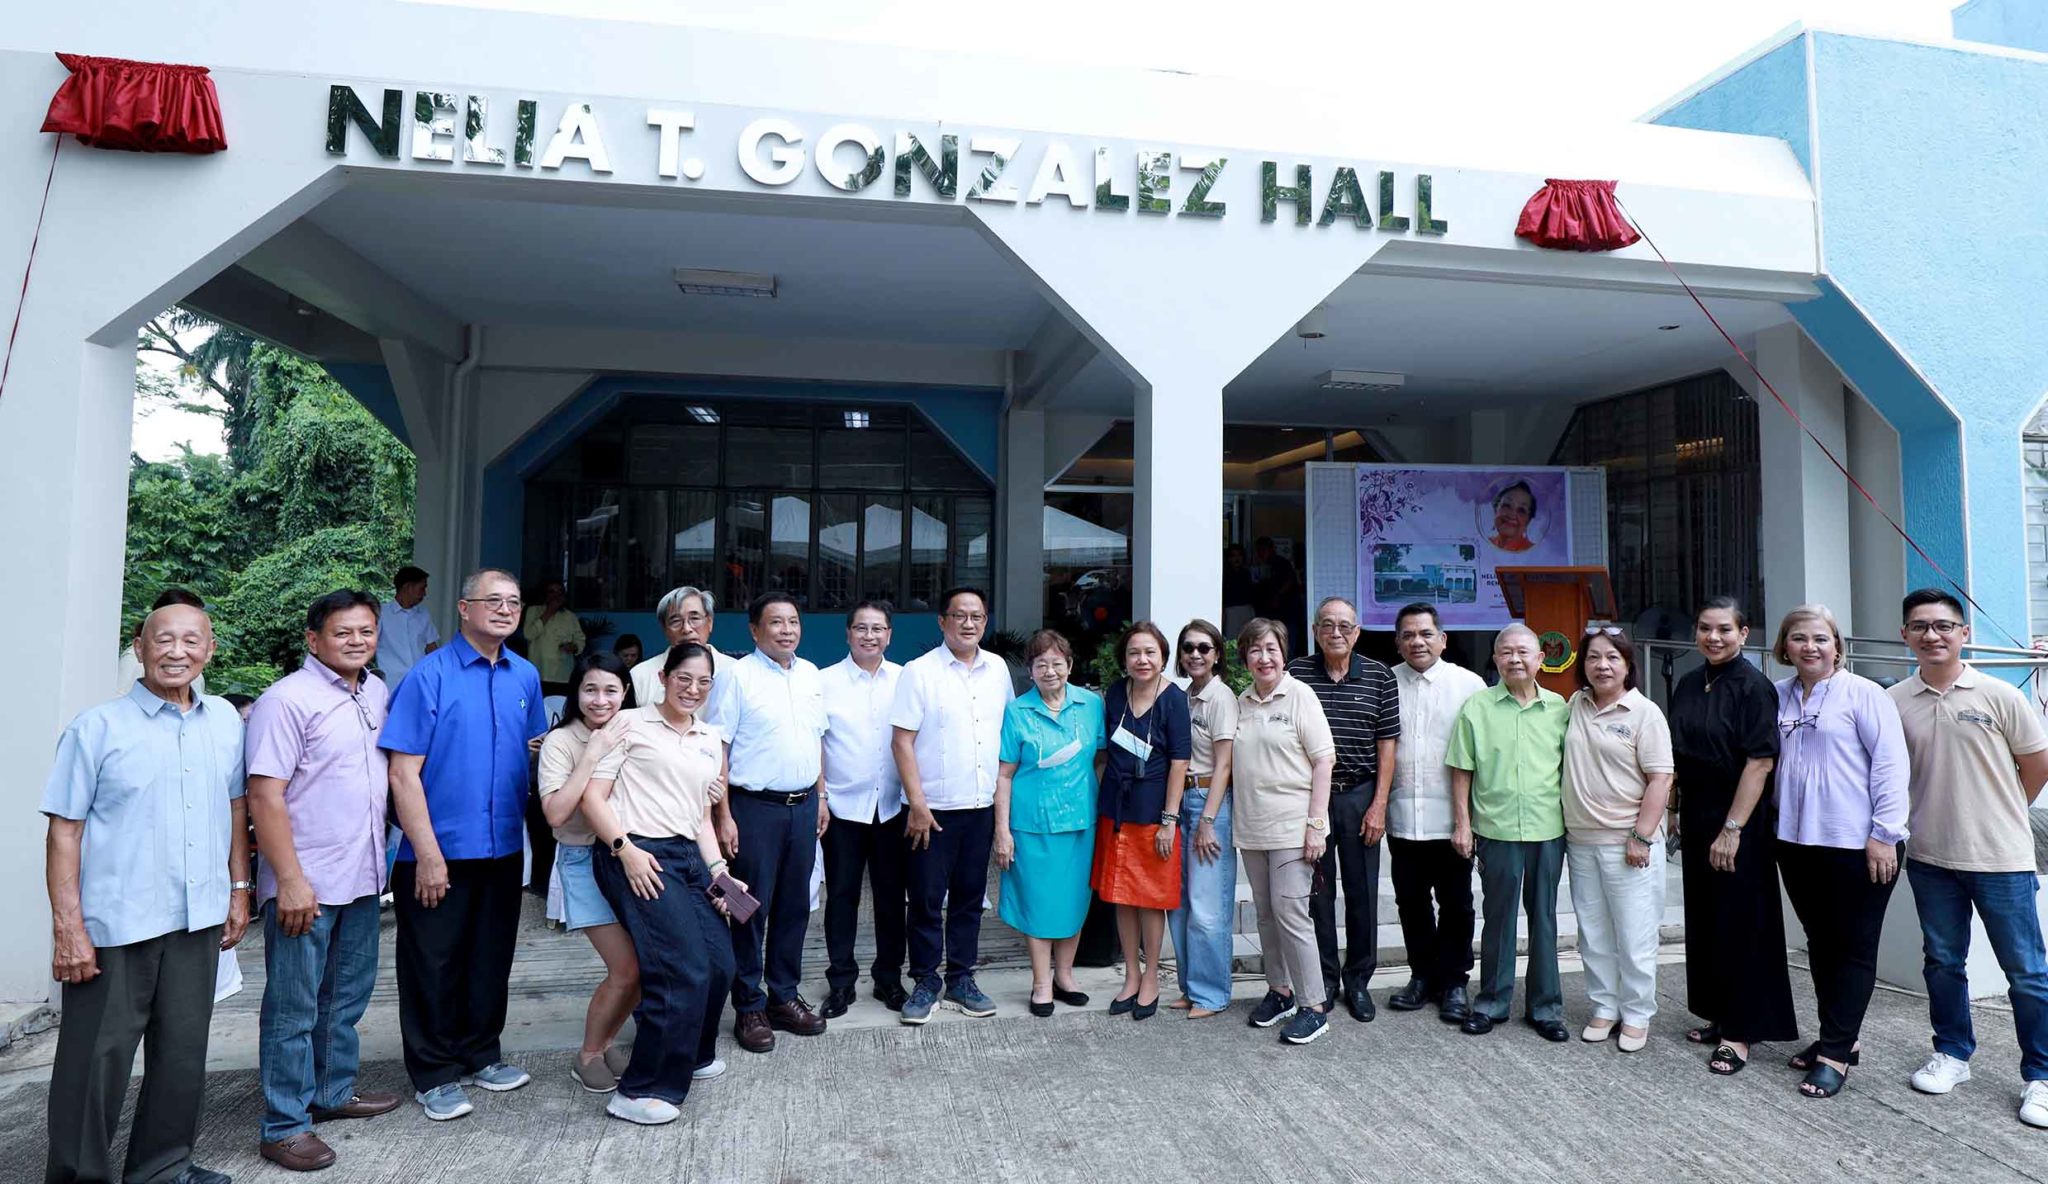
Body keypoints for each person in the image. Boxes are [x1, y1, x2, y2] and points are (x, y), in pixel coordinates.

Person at [43, 600, 250, 1184]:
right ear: (140, 647)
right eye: (164, 639)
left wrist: (238, 889)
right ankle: (78, 1176)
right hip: (115, 925)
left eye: (191, 640)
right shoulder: (96, 728)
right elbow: (64, 829)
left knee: (183, 1055)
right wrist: (68, 927)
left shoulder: (226, 723)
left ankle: (162, 1169)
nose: (176, 651)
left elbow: (235, 808)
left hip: (196, 919)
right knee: (94, 1064)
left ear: (210, 649)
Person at [379, 568, 549, 1121]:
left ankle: (481, 1052)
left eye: (514, 602)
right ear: (464, 608)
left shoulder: (525, 676)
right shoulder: (428, 676)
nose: (504, 609)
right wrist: (426, 854)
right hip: (437, 852)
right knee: (432, 962)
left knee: (489, 957)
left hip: (502, 847)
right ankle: (433, 1072)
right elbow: (403, 774)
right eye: (492, 600)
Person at [246, 591, 402, 1172]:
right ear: (314, 640)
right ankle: (283, 1125)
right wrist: (287, 880)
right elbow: (265, 794)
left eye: (366, 631)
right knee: (293, 1007)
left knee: (345, 996)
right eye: (343, 633)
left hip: (361, 874)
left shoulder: (376, 691)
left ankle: (332, 1093)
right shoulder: (286, 700)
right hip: (305, 882)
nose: (357, 641)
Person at [1889, 589, 2048, 1126]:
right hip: (1931, 856)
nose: (1932, 635)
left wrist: (2001, 811)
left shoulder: (2000, 694)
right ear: (1905, 635)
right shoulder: (1895, 701)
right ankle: (1953, 1053)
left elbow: (2037, 764)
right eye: (1919, 626)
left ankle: (2041, 1076)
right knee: (1942, 962)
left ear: (1963, 633)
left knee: (2026, 972)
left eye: (1943, 625)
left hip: (2001, 857)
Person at [577, 642, 740, 1125]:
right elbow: (593, 797)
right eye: (683, 678)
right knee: (680, 966)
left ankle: (690, 1052)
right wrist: (624, 850)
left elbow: (702, 818)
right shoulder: (629, 723)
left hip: (690, 854)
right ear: (664, 677)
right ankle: (639, 1089)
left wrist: (720, 874)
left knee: (720, 962)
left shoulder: (710, 738)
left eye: (703, 681)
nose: (693, 689)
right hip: (638, 851)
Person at [1769, 603, 1909, 1099]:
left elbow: (1891, 766)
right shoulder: (1779, 696)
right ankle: (1837, 1038)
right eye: (1799, 639)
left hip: (1858, 843)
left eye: (1820, 639)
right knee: (1820, 944)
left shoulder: (1865, 694)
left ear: (1837, 645)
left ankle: (1835, 1053)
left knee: (1852, 948)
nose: (1810, 647)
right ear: (1784, 646)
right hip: (1797, 841)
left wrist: (1885, 834)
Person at [1668, 596, 1797, 1075]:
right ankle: (1719, 1014)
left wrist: (1732, 829)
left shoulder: (1754, 687)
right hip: (1699, 814)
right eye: (1705, 628)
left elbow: (1760, 761)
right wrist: (1675, 810)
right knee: (1707, 920)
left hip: (1738, 821)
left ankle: (1742, 1031)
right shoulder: (1687, 682)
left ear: (1743, 634)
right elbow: (1678, 756)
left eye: (1725, 629)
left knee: (1743, 924)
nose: (1713, 637)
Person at [704, 592, 830, 1053]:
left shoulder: (812, 674)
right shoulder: (737, 677)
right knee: (747, 908)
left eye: (793, 621)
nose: (786, 630)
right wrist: (724, 815)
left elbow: (817, 739)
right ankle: (749, 1005)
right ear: (754, 630)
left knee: (796, 905)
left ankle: (783, 996)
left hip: (802, 809)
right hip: (753, 808)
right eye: (775, 622)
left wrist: (821, 796)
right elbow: (720, 744)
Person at [890, 586, 1015, 1024]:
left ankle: (961, 977)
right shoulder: (919, 671)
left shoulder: (998, 669)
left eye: (976, 616)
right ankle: (926, 981)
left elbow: (1007, 743)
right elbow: (902, 741)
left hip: (980, 807)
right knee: (925, 899)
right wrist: (918, 804)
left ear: (985, 622)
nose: (968, 623)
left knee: (968, 899)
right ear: (941, 622)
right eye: (959, 615)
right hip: (932, 812)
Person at [1446, 623, 1571, 1042]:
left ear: (1540, 660)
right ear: (1495, 659)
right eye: (1505, 652)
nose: (1514, 659)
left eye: (1523, 652)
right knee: (1498, 918)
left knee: (1545, 919)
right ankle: (1492, 1002)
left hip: (1547, 829)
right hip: (1496, 830)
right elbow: (1461, 770)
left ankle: (1546, 1007)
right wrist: (1462, 825)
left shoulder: (1560, 709)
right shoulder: (1477, 707)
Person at [1560, 628, 1674, 1054]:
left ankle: (1638, 1013)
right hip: (1581, 839)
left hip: (1629, 842)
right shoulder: (1575, 705)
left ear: (1628, 665)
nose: (1602, 665)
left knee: (1634, 933)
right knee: (1593, 932)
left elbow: (1661, 778)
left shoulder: (1645, 714)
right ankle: (1605, 1006)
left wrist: (1641, 836)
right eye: (1593, 658)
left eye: (1612, 658)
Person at [1289, 596, 1400, 1022]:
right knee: (1317, 891)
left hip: (1359, 794)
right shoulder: (1296, 673)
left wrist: (1379, 805)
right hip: (1309, 797)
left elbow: (1387, 744)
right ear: (1316, 631)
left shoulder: (1379, 675)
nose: (1336, 633)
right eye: (1327, 625)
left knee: (1361, 893)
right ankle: (1324, 978)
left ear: (1357, 632)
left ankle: (1358, 981)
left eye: (1345, 626)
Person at [536, 652, 641, 1093]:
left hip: (633, 858)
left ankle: (608, 1041)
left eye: (611, 690)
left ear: (626, 693)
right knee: (625, 968)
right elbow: (557, 814)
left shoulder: (636, 728)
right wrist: (592, 752)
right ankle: (589, 1054)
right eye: (590, 689)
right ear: (576, 693)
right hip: (583, 860)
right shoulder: (561, 742)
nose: (600, 700)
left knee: (642, 967)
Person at [1233, 618, 1336, 1045]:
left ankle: (1314, 1006)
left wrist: (1316, 824)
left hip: (1294, 827)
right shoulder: (1241, 700)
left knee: (1291, 912)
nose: (1264, 658)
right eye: (1255, 650)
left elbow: (1324, 761)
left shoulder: (1300, 696)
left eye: (1271, 649)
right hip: (1252, 826)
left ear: (1283, 653)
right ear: (1245, 659)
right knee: (1265, 915)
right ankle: (1280, 991)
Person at [994, 629, 1105, 1016]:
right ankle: (1041, 983)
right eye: (1041, 664)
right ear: (1031, 670)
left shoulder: (1091, 705)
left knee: (1074, 903)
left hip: (1080, 823)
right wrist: (1002, 830)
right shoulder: (1017, 711)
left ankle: (1066, 977)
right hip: (1031, 824)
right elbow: (1004, 774)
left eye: (1058, 663)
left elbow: (1102, 759)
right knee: (1038, 905)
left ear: (1070, 666)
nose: (1050, 671)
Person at [1385, 602, 1486, 1024]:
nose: (1417, 642)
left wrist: (1472, 820)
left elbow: (1480, 754)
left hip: (1452, 819)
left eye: (1425, 633)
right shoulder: (1385, 683)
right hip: (1402, 816)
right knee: (1410, 902)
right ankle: (1422, 976)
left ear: (1443, 639)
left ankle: (1456, 981)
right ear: (1398, 641)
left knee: (1458, 903)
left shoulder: (1470, 685)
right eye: (1408, 634)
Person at [1095, 621, 1192, 1019]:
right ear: (1125, 658)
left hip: (1154, 814)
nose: (1142, 660)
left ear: (1163, 657)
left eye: (1150, 652)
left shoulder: (1173, 700)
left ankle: (1151, 975)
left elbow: (1179, 762)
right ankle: (1130, 975)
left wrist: (1169, 819)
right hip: (1115, 811)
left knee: (1150, 900)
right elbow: (1105, 753)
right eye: (1135, 652)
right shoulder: (1116, 693)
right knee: (1121, 895)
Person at [819, 601, 910, 1017]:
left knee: (893, 898)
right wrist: (821, 797)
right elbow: (816, 744)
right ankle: (841, 982)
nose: (869, 636)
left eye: (878, 629)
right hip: (843, 807)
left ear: (890, 634)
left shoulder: (907, 680)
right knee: (841, 896)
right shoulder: (824, 682)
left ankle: (889, 978)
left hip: (893, 807)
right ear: (848, 633)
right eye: (861, 628)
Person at [1169, 619, 1239, 1019]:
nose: (1196, 654)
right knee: (1178, 904)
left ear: (1216, 655)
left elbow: (1225, 764)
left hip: (1207, 802)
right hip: (1180, 802)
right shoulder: (1184, 696)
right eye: (1189, 648)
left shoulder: (1220, 698)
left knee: (1207, 905)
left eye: (1204, 648)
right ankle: (1190, 988)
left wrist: (1208, 820)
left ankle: (1212, 994)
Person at [632, 586, 731, 705]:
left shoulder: (734, 672)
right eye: (676, 621)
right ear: (665, 629)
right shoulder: (640, 676)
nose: (686, 629)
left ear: (709, 623)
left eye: (694, 618)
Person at [116, 586, 209, 697]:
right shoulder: (135, 658)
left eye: (191, 641)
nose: (177, 653)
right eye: (165, 641)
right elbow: (119, 699)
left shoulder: (194, 668)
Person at [377, 566, 440, 687]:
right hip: (392, 684)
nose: (425, 594)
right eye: (422, 588)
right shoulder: (382, 614)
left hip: (420, 681)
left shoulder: (423, 614)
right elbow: (369, 645)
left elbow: (432, 648)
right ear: (408, 587)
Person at [523, 578, 586, 696]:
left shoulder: (570, 616)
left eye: (559, 592)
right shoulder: (533, 611)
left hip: (563, 674)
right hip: (540, 671)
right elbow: (529, 634)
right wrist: (549, 611)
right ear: (545, 594)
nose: (556, 596)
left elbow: (580, 639)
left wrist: (574, 647)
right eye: (552, 591)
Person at [1487, 481, 1537, 553]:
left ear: (1528, 521)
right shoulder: (1483, 546)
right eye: (1507, 505)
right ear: (1495, 510)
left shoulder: (1536, 552)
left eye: (1521, 510)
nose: (1512, 514)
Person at [1222, 545, 1256, 638]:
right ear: (1229, 558)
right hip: (1231, 611)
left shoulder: (1247, 573)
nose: (1236, 559)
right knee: (1232, 640)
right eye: (1233, 556)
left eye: (1239, 555)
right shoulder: (1225, 574)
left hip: (1247, 609)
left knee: (1249, 638)